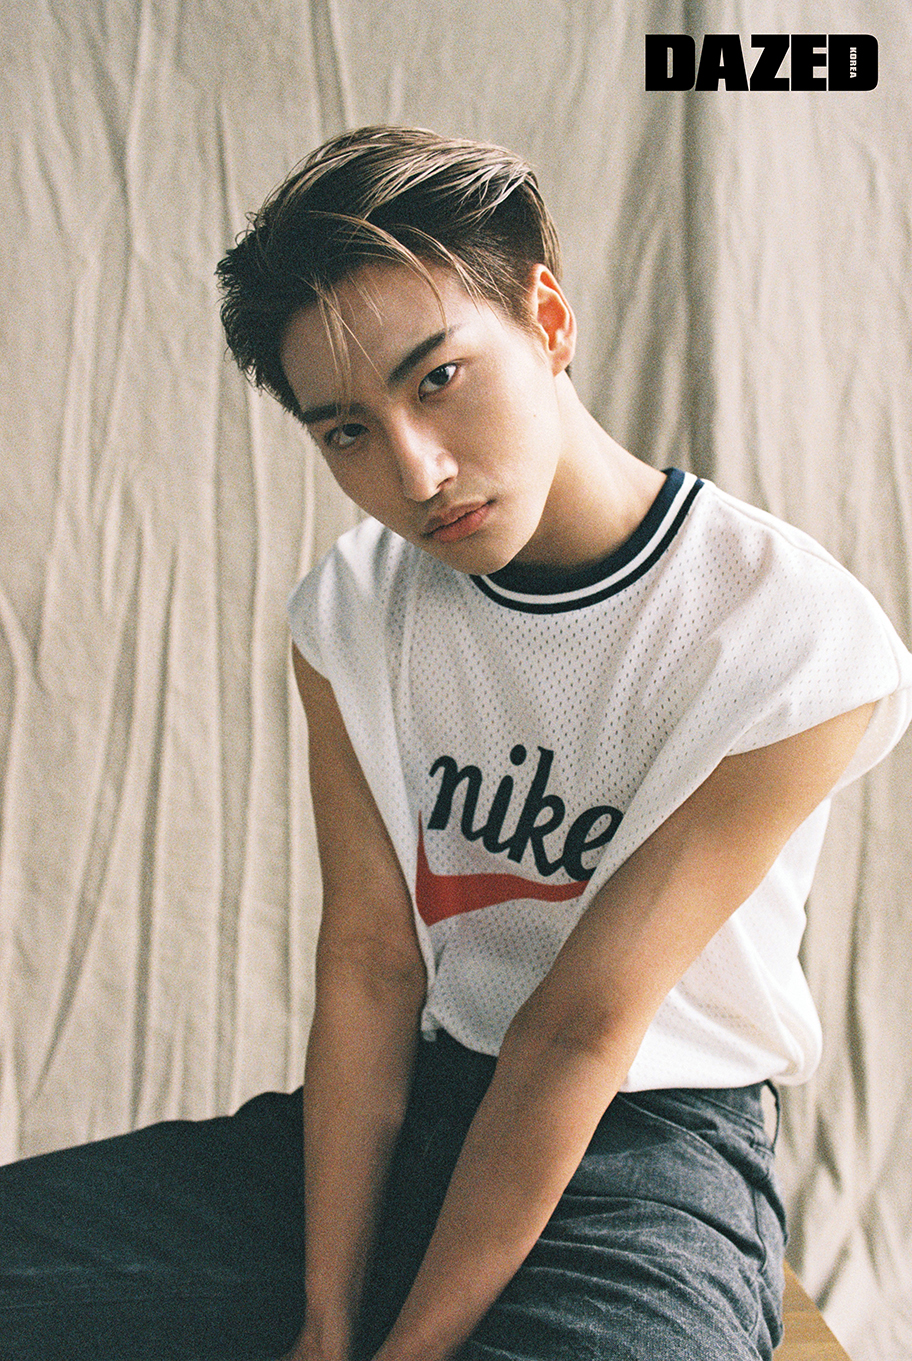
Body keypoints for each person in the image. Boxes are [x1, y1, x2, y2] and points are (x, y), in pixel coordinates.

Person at [1, 125, 910, 1361]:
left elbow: (579, 1028)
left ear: (547, 318)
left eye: (437, 378)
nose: (416, 470)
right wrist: (328, 1317)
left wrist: (408, 1348)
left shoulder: (790, 631)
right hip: (415, 1110)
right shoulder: (352, 611)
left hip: (646, 1155)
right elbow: (372, 965)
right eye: (346, 430)